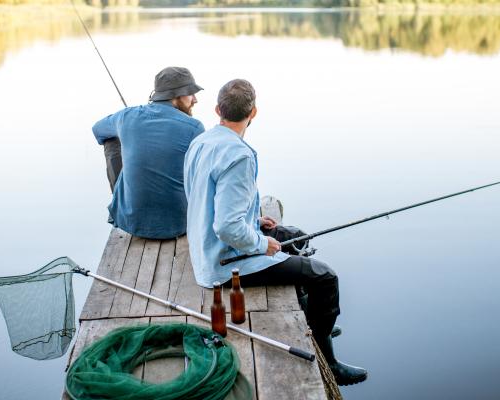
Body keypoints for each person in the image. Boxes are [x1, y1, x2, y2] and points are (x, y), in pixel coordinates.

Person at [183, 79, 367, 386]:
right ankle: (329, 361)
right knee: (325, 277)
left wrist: (255, 219)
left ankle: (316, 321)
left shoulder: (202, 142)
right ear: (253, 112)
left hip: (207, 248)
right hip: (226, 264)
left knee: (297, 234)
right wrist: (260, 242)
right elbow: (227, 227)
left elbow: (211, 199)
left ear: (217, 110)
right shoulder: (238, 155)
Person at [93, 66, 205, 239]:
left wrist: (129, 136)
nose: (195, 99)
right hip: (180, 224)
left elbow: (98, 130)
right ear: (176, 96)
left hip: (131, 222)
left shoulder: (126, 116)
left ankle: (122, 200)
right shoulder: (195, 127)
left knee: (111, 139)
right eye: (190, 93)